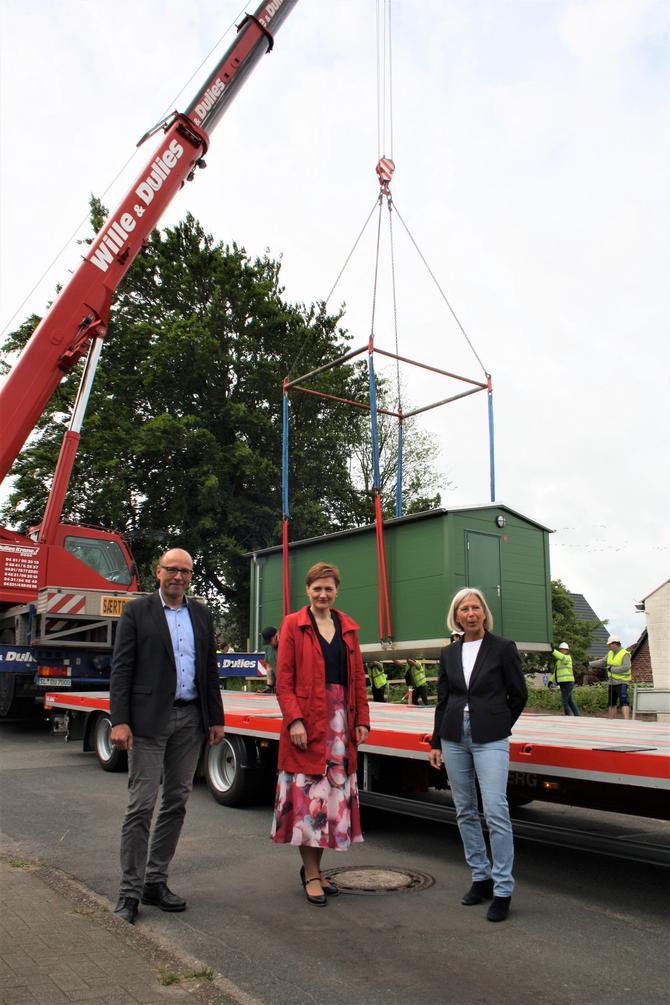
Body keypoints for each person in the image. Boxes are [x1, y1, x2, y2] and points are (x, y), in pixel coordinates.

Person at [110, 548, 225, 925]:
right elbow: (122, 668)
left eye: (186, 571)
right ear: (158, 573)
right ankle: (129, 892)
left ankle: (155, 882)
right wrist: (120, 720)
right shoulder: (137, 612)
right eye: (172, 570)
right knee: (141, 806)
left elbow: (209, 669)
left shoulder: (201, 614)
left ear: (191, 576)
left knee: (177, 801)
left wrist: (215, 718)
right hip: (147, 723)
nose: (179, 577)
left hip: (191, 719)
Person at [271, 561, 370, 906]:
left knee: (330, 802)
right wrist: (294, 720)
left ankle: (315, 870)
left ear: (336, 591)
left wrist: (363, 719)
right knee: (307, 803)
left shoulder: (348, 628)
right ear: (307, 591)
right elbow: (283, 680)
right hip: (308, 724)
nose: (323, 594)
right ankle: (311, 873)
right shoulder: (292, 625)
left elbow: (357, 678)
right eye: (317, 588)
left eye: (329, 588)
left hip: (341, 724)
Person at [428, 587, 528, 923]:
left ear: (484, 613)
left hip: (491, 737)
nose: (470, 614)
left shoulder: (502, 648)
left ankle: (502, 889)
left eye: (476, 608)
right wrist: (436, 742)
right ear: (456, 616)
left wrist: (499, 723)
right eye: (464, 609)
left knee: (497, 810)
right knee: (465, 809)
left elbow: (519, 694)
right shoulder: (449, 654)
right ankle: (480, 878)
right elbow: (443, 699)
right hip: (454, 736)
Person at [589, 634, 632, 719]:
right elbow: (602, 662)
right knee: (611, 703)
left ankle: (627, 722)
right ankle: (612, 721)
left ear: (615, 644)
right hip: (612, 683)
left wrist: (612, 669)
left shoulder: (625, 654)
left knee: (624, 702)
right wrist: (590, 664)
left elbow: (626, 666)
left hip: (622, 682)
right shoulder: (610, 653)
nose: (609, 646)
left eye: (610, 644)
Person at [551, 642, 580, 716]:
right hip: (562, 682)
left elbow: (562, 657)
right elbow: (556, 673)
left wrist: (553, 651)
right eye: (560, 649)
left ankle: (568, 715)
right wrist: (550, 681)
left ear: (567, 651)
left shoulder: (567, 658)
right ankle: (577, 715)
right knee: (569, 700)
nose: (561, 651)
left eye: (563, 650)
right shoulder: (558, 661)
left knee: (565, 700)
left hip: (568, 682)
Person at [261, 625, 279, 693]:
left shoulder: (286, 645)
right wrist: (269, 685)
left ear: (276, 636)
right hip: (279, 686)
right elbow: (269, 667)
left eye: (270, 641)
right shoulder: (269, 648)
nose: (270, 644)